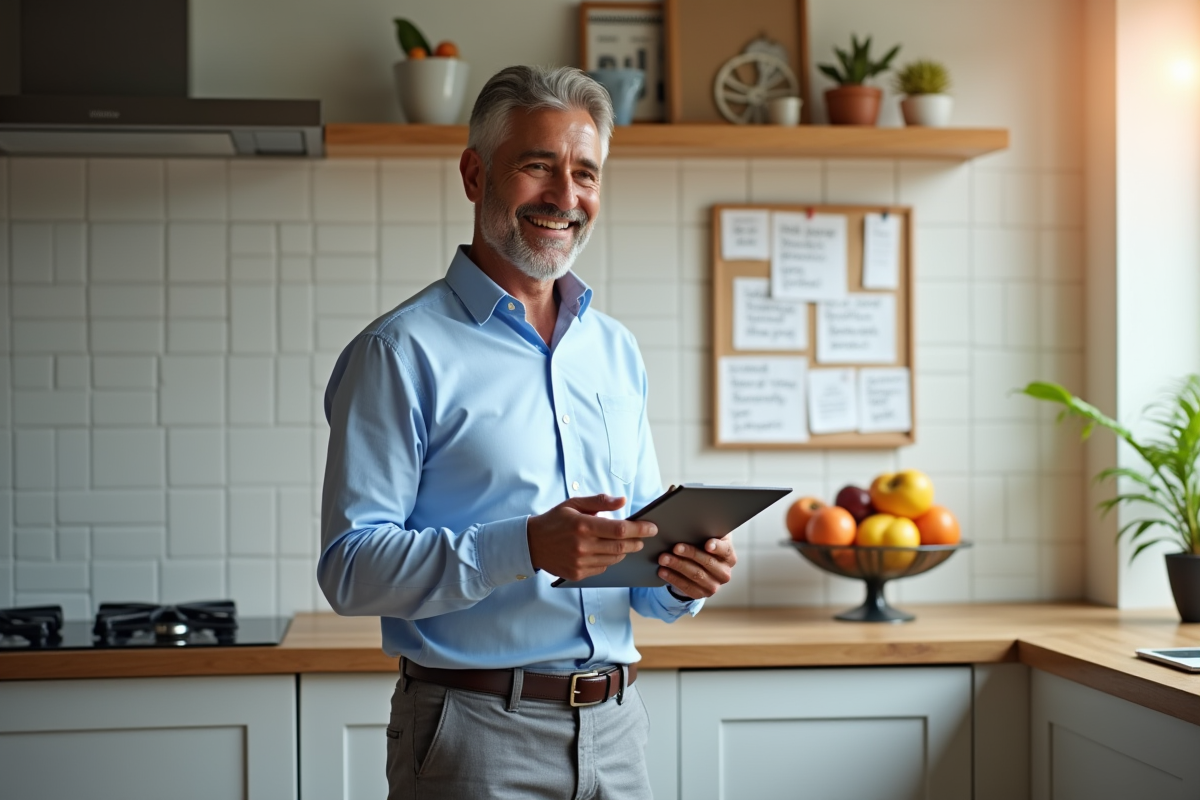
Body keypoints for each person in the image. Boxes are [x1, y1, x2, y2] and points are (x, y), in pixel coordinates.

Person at [318, 65, 738, 800]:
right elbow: (349, 570)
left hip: (619, 729)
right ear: (475, 174)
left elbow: (634, 567)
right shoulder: (399, 352)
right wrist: (523, 546)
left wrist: (680, 578)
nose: (564, 197)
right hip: (472, 734)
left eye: (585, 173)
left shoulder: (615, 351)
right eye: (537, 166)